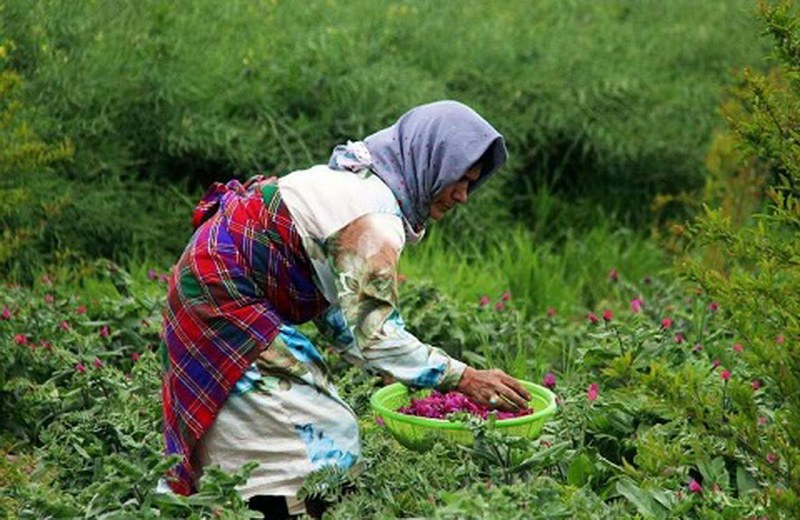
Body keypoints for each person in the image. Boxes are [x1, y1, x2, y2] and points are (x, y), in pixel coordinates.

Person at [159, 100, 532, 518]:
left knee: (252, 426)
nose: (463, 196)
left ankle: (227, 505)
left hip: (213, 280)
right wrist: (462, 378)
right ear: (432, 161)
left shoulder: (368, 184)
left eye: (471, 184)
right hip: (224, 295)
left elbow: (339, 309)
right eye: (459, 179)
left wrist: (398, 366)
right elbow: (377, 336)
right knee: (322, 434)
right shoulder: (373, 220)